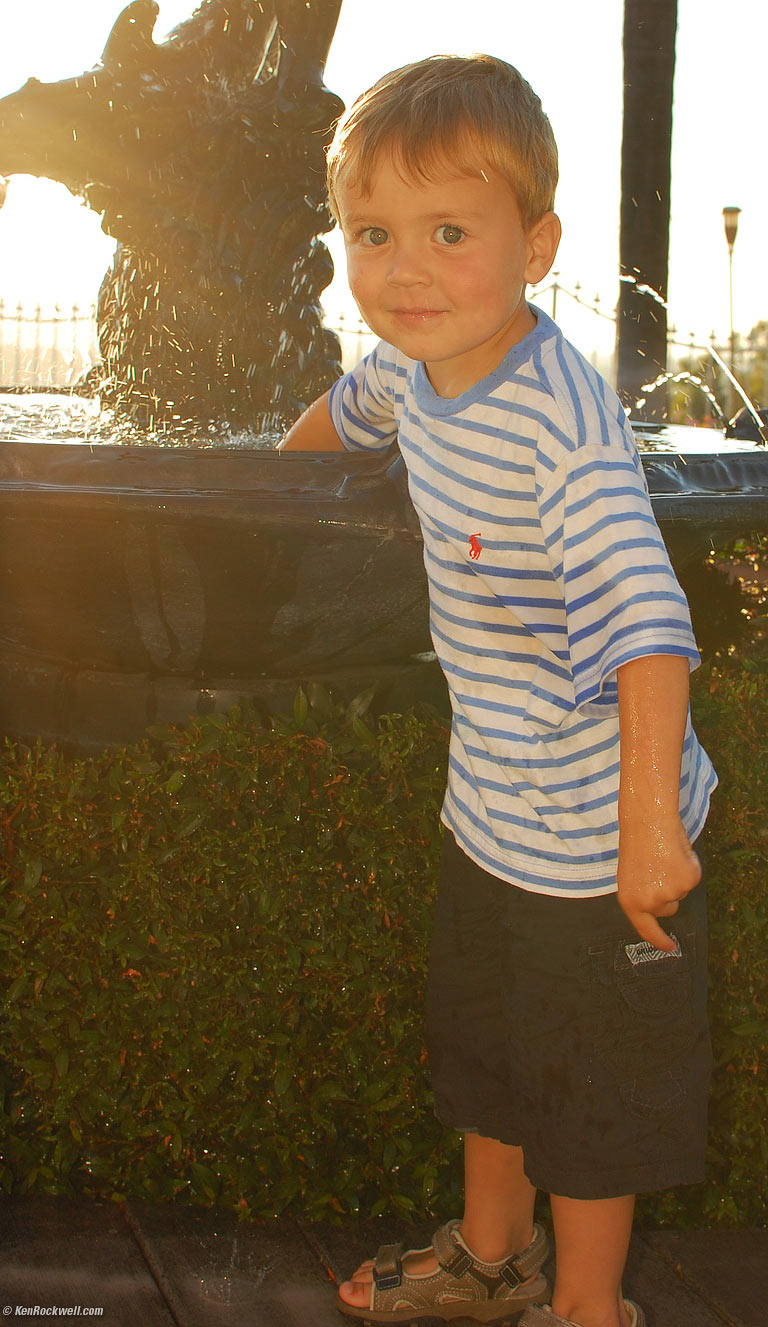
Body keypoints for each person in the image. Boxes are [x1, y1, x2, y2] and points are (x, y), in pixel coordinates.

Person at [279, 54, 716, 1327]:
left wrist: (647, 825)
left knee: (588, 1098)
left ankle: (587, 1308)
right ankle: (487, 1256)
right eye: (374, 234)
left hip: (602, 843)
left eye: (449, 231)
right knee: (489, 1061)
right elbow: (331, 428)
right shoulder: (410, 368)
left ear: (537, 246)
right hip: (494, 816)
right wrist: (242, 506)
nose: (404, 270)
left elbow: (649, 622)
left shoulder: (560, 420)